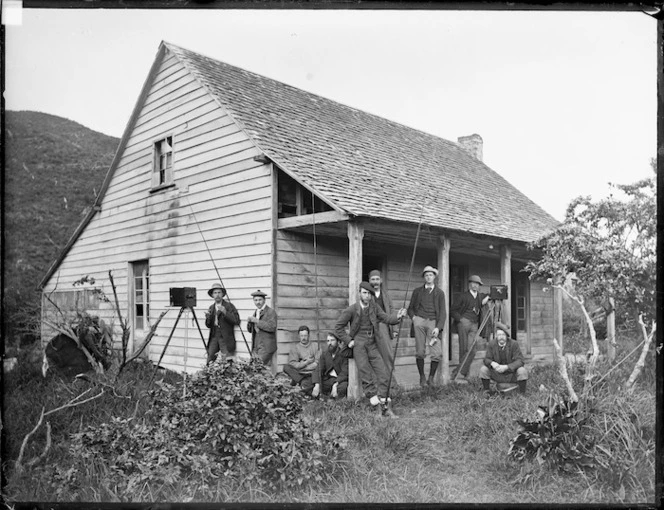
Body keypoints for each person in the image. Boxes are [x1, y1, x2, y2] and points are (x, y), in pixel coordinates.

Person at [335, 282, 407, 417]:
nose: (367, 296)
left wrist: (398, 316)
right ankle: (377, 409)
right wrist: (349, 341)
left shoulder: (375, 307)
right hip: (359, 345)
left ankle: (386, 406)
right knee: (367, 378)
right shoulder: (352, 310)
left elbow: (387, 318)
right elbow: (338, 327)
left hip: (372, 343)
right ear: (360, 293)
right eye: (364, 293)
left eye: (369, 294)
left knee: (384, 374)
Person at [407, 266, 447, 387]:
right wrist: (414, 318)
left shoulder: (439, 293)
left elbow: (443, 312)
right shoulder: (417, 291)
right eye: (426, 275)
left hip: (433, 323)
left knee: (436, 352)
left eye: (431, 275)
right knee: (420, 351)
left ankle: (431, 378)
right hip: (419, 321)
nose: (429, 277)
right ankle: (422, 377)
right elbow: (410, 308)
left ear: (434, 277)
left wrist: (438, 327)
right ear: (424, 277)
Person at [450, 274, 490, 383]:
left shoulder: (480, 296)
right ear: (469, 284)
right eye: (473, 283)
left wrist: (492, 296)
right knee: (463, 349)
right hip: (464, 323)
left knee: (472, 349)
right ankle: (464, 375)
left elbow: (490, 296)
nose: (475, 286)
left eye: (477, 284)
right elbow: (452, 310)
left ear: (479, 286)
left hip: (474, 324)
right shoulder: (463, 296)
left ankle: (457, 372)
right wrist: (461, 319)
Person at [368, 269, 399, 388]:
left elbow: (391, 311)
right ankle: (378, 384)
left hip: (383, 327)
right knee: (374, 356)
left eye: (377, 279)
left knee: (387, 355)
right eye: (372, 279)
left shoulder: (385, 295)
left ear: (381, 280)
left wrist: (395, 329)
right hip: (370, 328)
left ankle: (392, 382)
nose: (375, 282)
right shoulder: (367, 295)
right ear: (369, 281)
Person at [479, 322, 528, 395]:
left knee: (522, 371)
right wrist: (493, 363)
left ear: (506, 336)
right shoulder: (492, 344)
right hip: (497, 374)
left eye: (503, 335)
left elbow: (520, 361)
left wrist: (507, 367)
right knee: (483, 369)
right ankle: (487, 391)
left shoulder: (513, 344)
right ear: (496, 336)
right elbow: (486, 359)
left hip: (511, 374)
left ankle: (522, 393)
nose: (501, 337)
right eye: (499, 335)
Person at [204, 283, 239, 363]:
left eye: (219, 292)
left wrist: (225, 312)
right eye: (215, 293)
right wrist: (208, 318)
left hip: (225, 337)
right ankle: (208, 375)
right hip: (214, 336)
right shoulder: (211, 307)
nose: (217, 295)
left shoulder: (229, 306)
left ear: (223, 294)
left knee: (228, 360)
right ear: (212, 295)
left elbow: (236, 320)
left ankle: (229, 375)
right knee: (210, 359)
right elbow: (208, 325)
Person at [312, 332, 353, 399]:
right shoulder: (325, 354)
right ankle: (326, 396)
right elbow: (318, 369)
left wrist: (335, 384)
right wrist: (317, 384)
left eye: (332, 340)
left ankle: (330, 397)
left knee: (343, 387)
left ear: (338, 342)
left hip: (339, 381)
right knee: (311, 384)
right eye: (328, 341)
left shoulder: (343, 354)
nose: (330, 343)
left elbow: (344, 372)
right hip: (328, 380)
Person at [283, 325, 320, 394]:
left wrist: (303, 367)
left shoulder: (315, 346)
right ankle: (301, 382)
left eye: (305, 335)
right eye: (301, 336)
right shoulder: (295, 348)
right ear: (299, 336)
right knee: (286, 367)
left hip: (311, 374)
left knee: (306, 385)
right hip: (300, 374)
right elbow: (293, 363)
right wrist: (306, 363)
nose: (303, 338)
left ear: (309, 335)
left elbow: (318, 362)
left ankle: (301, 384)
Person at [247, 289, 278, 366]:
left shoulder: (271, 312)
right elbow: (250, 330)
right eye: (256, 300)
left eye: (260, 300)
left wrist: (257, 321)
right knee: (253, 367)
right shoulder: (256, 312)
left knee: (257, 366)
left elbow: (272, 327)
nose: (258, 302)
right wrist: (249, 323)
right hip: (256, 345)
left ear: (264, 300)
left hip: (266, 346)